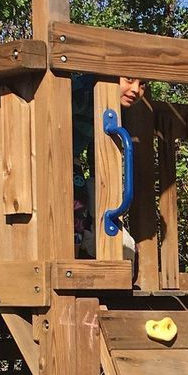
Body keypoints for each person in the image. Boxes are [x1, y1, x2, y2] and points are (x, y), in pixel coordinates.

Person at [72, 76, 147, 260]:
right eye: (129, 80)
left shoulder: (109, 105)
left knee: (86, 199)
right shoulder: (83, 91)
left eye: (142, 84)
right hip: (51, 156)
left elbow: (95, 146)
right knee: (76, 200)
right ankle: (70, 260)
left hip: (72, 160)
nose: (136, 89)